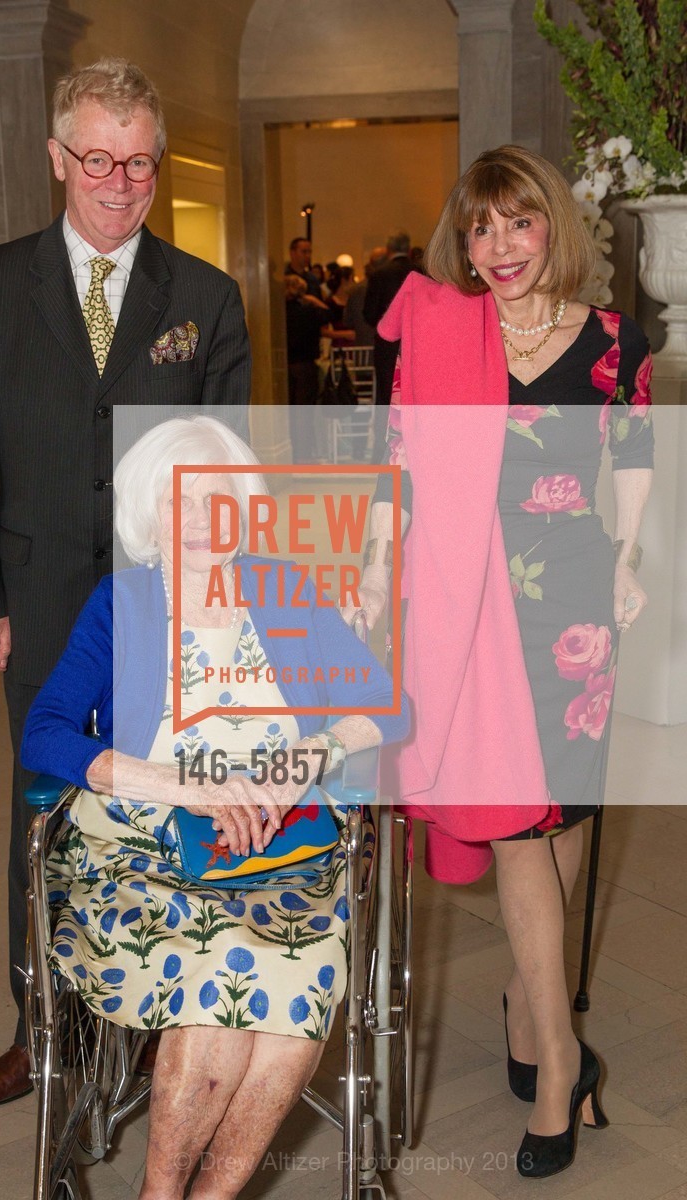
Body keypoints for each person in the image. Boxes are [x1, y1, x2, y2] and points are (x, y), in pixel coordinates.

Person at [0, 57, 251, 1106]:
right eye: (97, 159)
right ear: (56, 157)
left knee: (159, 804)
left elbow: (226, 462)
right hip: (31, 595)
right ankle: (41, 1027)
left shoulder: (203, 297)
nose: (119, 183)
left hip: (161, 609)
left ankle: (158, 1017)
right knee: (45, 812)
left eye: (140, 163)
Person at [345, 145, 653, 1178]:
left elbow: (640, 454)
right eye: (479, 229)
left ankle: (528, 992)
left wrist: (633, 560)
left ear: (550, 226)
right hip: (471, 607)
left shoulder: (612, 340)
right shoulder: (439, 333)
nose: (499, 247)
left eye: (517, 223)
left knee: (561, 816)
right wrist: (375, 573)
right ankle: (559, 1056)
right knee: (521, 826)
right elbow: (393, 460)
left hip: (575, 611)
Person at [21, 415, 409, 1199]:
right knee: (225, 973)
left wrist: (304, 761)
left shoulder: (284, 590)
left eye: (218, 499)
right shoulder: (121, 603)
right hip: (142, 851)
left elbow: (391, 705)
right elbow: (45, 732)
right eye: (179, 502)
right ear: (147, 513)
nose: (200, 522)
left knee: (295, 984)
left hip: (278, 844)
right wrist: (186, 788)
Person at [363, 230, 420, 458]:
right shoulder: (421, 272)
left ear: (388, 250)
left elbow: (369, 314)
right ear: (408, 249)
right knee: (416, 397)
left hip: (388, 347)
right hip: (418, 344)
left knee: (386, 399)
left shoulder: (379, 275)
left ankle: (383, 452)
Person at [284, 273, 332, 462]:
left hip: (284, 367)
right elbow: (330, 315)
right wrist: (315, 301)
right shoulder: (308, 311)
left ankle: (291, 452)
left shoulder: (279, 313)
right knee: (304, 412)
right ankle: (303, 454)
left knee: (286, 412)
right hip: (305, 366)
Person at [344, 247, 388, 347]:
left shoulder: (356, 290)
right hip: (386, 350)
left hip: (362, 348)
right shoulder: (394, 287)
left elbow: (347, 321)